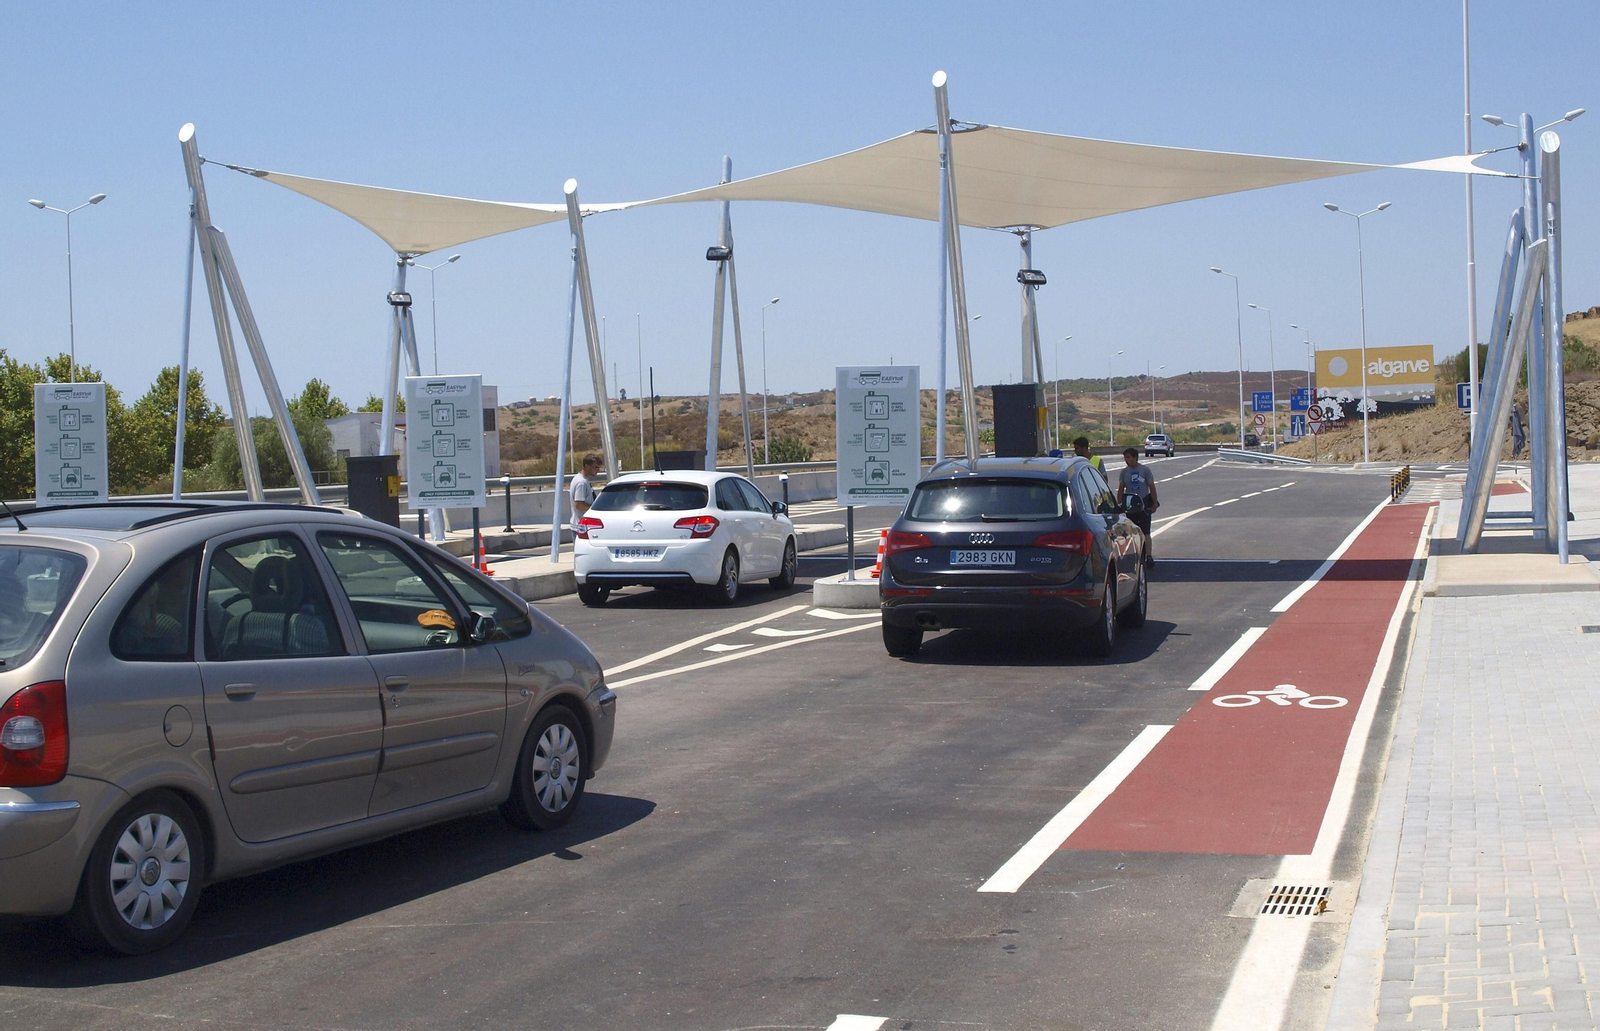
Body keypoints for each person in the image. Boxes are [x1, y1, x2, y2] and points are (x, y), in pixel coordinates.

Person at [1116, 447, 1159, 565]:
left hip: (1144, 505)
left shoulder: (1145, 470)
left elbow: (1152, 487)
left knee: (1146, 531)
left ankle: (1148, 556)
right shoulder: (1124, 472)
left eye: (1128, 457)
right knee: (1131, 532)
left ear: (1135, 457)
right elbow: (1121, 489)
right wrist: (1119, 504)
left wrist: (1154, 503)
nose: (1126, 460)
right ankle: (1133, 555)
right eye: (1125, 458)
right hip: (1130, 506)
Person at [570, 454, 601, 531]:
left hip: (582, 525)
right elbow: (579, 505)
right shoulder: (581, 483)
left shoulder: (582, 480)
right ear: (587, 466)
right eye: (595, 467)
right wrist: (595, 508)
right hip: (581, 526)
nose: (598, 470)